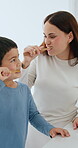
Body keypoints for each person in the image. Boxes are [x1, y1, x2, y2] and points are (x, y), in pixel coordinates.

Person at [19, 11, 78, 148]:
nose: (47, 41)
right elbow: (21, 90)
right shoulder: (40, 58)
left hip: (64, 132)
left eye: (52, 36)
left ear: (69, 36)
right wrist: (26, 63)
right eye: (45, 36)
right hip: (36, 126)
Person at [0, 37, 70, 148]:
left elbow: (33, 115)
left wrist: (50, 129)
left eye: (18, 57)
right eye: (13, 60)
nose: (19, 63)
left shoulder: (23, 89)